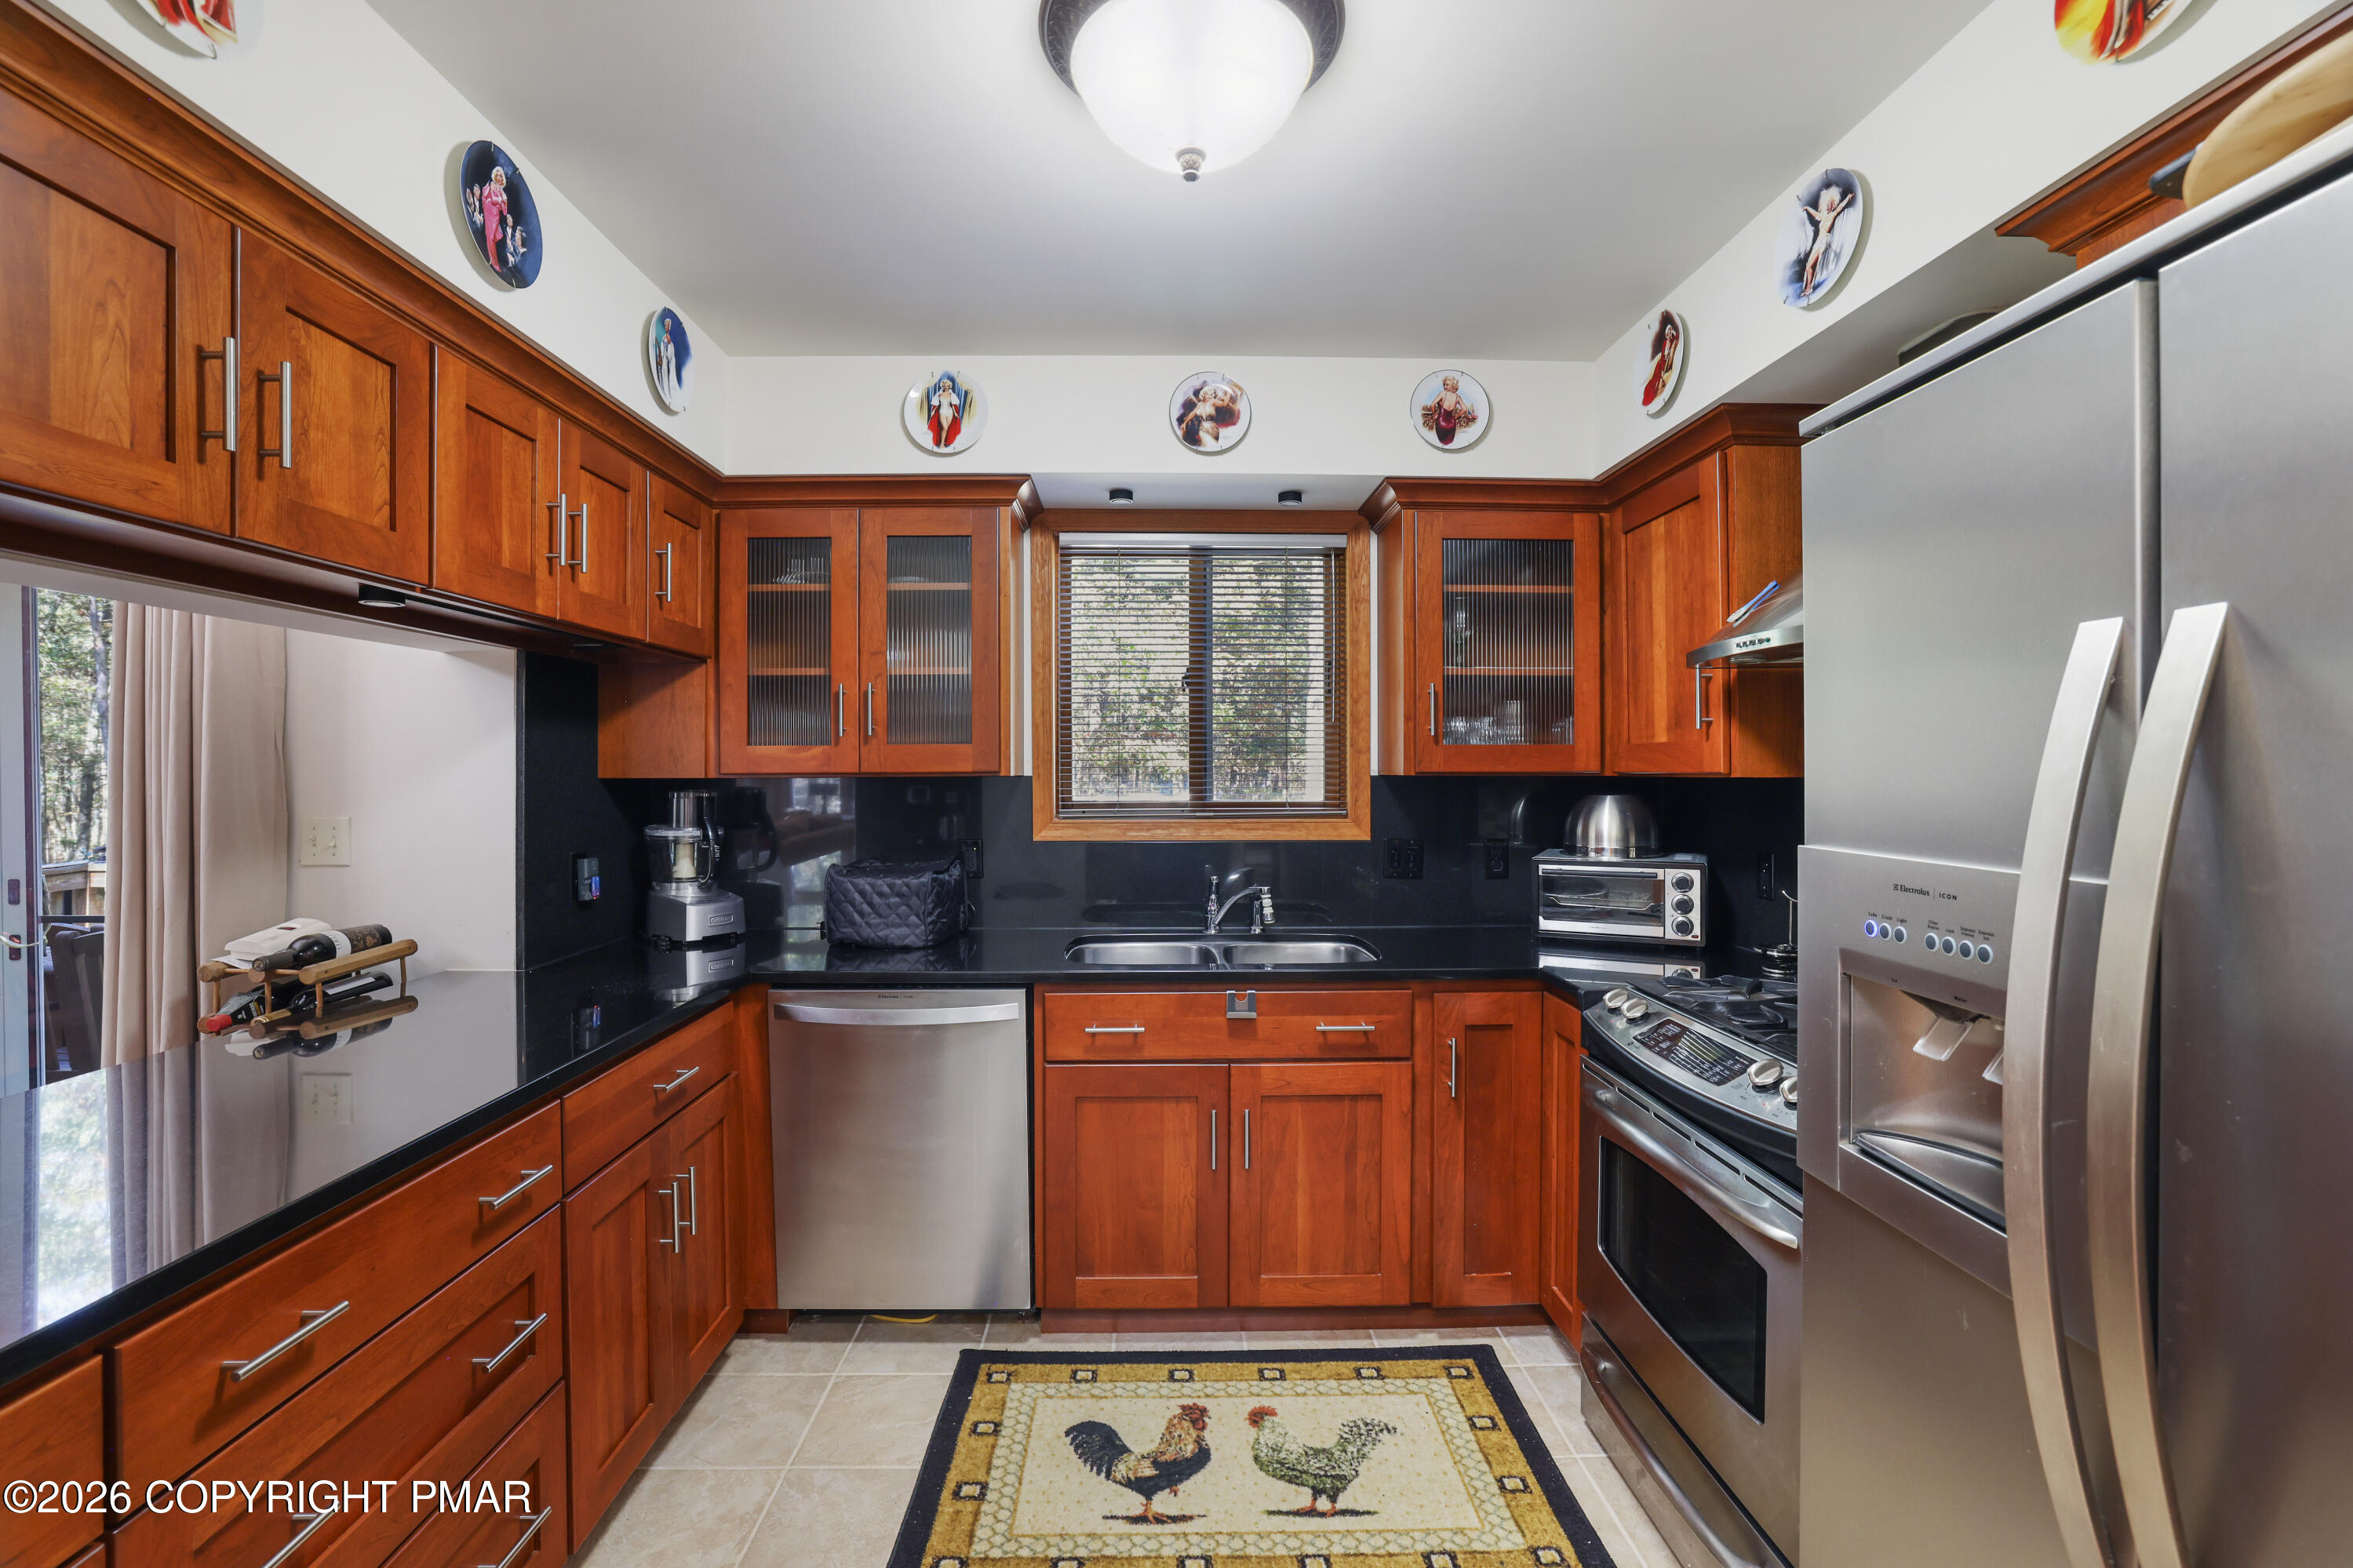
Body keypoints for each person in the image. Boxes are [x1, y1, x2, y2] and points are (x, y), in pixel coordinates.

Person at [1794, 178, 1855, 302]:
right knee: (1809, 266)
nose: (1829, 207)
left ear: (1833, 204)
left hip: (1824, 240)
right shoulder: (1823, 216)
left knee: (1812, 265)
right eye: (1827, 205)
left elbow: (1841, 207)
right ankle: (1808, 288)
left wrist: (1849, 197)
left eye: (1831, 204)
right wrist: (1807, 208)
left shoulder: (1833, 215)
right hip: (1819, 241)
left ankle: (1809, 288)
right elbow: (1814, 214)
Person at [1420, 374, 1481, 446]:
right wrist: (1456, 417)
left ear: (1453, 386)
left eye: (1447, 385)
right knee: (1450, 444)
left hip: (1441, 423)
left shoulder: (1443, 394)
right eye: (1444, 385)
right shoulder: (1457, 397)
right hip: (1452, 424)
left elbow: (1432, 405)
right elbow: (1464, 409)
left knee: (1441, 443)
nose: (1445, 386)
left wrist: (1435, 415)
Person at [1643, 315, 1681, 409]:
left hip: (1665, 364)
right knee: (1654, 379)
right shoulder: (1665, 343)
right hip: (1661, 364)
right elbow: (1664, 355)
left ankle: (1653, 392)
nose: (1669, 334)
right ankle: (1647, 393)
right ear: (1666, 334)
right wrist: (1662, 371)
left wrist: (1674, 333)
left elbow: (1677, 337)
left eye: (1670, 332)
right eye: (1668, 332)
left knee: (1657, 380)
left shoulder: (1673, 340)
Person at [927, 373, 967, 449]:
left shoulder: (952, 394)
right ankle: (942, 444)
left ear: (949, 386)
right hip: (942, 412)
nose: (945, 387)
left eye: (947, 386)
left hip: (950, 412)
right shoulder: (939, 394)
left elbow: (953, 405)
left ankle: (944, 441)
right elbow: (936, 404)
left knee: (947, 428)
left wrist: (955, 413)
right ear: (942, 386)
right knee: (944, 428)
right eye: (944, 386)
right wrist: (933, 411)